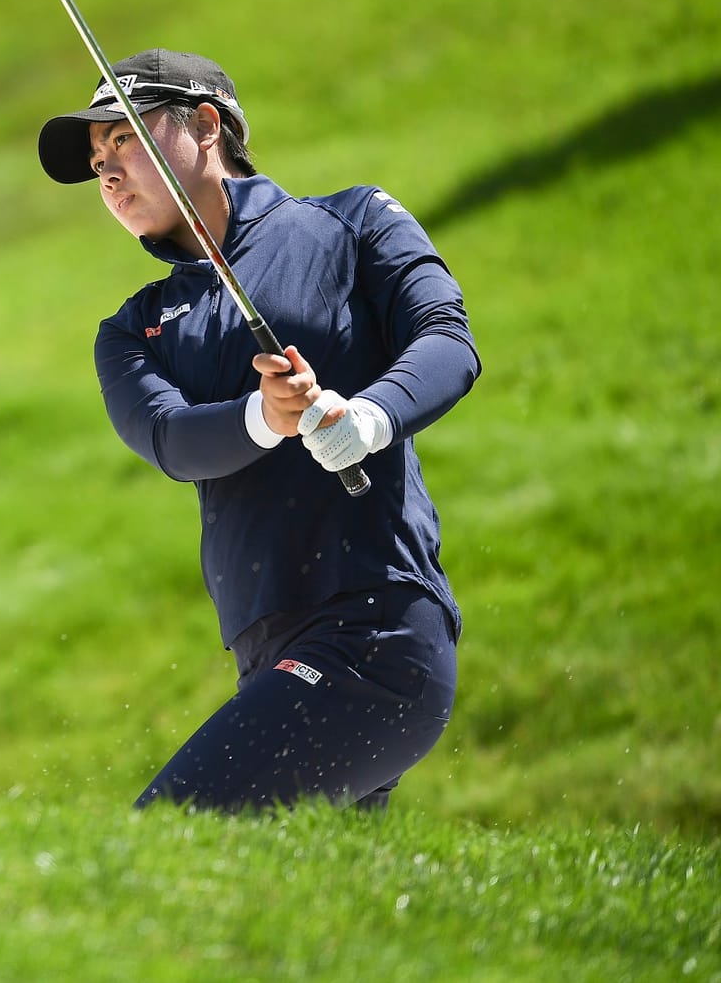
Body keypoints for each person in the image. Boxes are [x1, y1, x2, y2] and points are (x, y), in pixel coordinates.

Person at [36, 49, 479, 811]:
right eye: (96, 160)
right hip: (271, 655)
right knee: (299, 889)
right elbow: (170, 439)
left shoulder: (354, 220)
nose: (106, 172)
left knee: (169, 837)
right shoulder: (133, 329)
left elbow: (447, 337)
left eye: (125, 139)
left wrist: (367, 418)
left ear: (207, 126)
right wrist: (265, 416)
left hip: (372, 632)